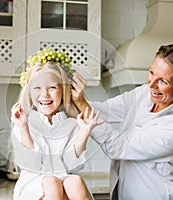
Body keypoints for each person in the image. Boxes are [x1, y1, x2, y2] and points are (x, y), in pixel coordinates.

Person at [71, 41, 173, 199]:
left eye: (163, 81)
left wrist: (81, 103)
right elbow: (105, 110)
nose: (151, 84)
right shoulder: (145, 93)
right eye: (151, 72)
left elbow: (116, 146)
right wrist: (66, 100)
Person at [10, 49, 103, 200]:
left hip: (63, 177)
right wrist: (23, 128)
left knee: (75, 182)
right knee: (52, 183)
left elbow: (72, 166)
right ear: (29, 92)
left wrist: (84, 132)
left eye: (52, 87)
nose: (45, 94)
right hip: (34, 182)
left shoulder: (74, 124)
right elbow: (32, 163)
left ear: (63, 91)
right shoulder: (23, 123)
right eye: (37, 88)